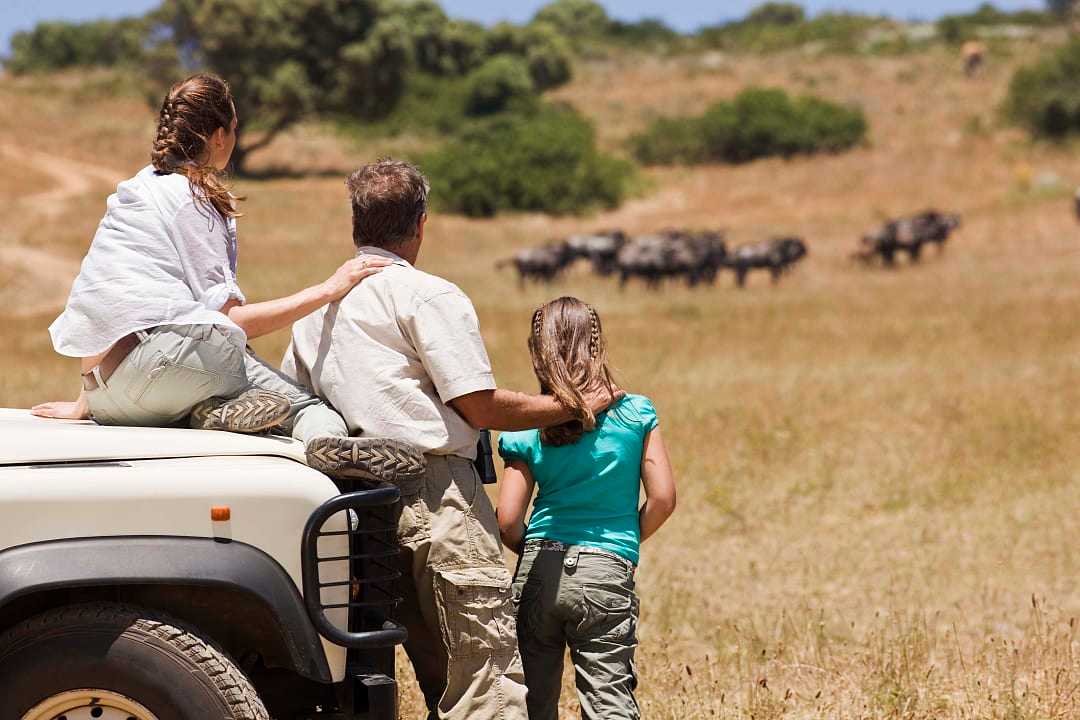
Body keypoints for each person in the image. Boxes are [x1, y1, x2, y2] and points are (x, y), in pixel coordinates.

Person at [281, 159, 620, 720]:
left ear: (355, 225)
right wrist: (574, 404)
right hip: (437, 496)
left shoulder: (313, 312)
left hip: (349, 503)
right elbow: (479, 406)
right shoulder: (428, 295)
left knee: (407, 666)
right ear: (420, 224)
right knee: (481, 673)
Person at [33, 73, 422, 482]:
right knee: (294, 397)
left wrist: (85, 401)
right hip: (161, 371)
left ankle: (207, 413)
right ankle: (328, 444)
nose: (234, 140)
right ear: (218, 136)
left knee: (218, 354)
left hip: (105, 395)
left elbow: (105, 300)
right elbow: (232, 320)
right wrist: (328, 289)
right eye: (234, 130)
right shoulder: (194, 199)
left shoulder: (137, 190)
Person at [496, 296, 677, 720]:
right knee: (608, 700)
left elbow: (507, 522)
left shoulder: (527, 425)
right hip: (607, 568)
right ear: (596, 345)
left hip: (539, 566)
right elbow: (664, 498)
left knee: (532, 700)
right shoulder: (636, 412)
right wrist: (621, 541)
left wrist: (536, 547)